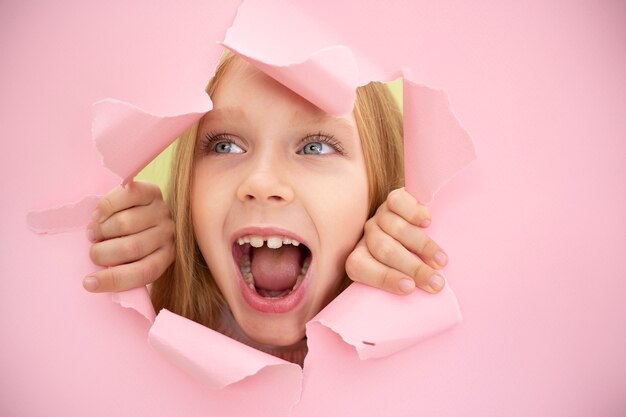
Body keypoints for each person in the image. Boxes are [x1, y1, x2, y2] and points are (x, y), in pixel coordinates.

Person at [84, 52, 449, 365]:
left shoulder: (424, 358)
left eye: (315, 147)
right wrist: (139, 280)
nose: (261, 183)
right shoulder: (147, 329)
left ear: (379, 186)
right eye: (225, 145)